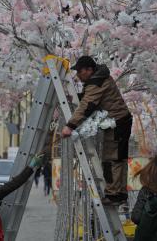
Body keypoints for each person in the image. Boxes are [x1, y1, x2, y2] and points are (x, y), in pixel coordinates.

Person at [61, 56, 132, 205]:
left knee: (112, 159)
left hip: (117, 123)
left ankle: (114, 195)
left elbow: (88, 105)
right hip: (120, 121)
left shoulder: (97, 82)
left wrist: (70, 126)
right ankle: (119, 193)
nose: (78, 76)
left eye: (80, 72)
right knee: (118, 158)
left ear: (89, 70)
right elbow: (91, 98)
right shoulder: (100, 78)